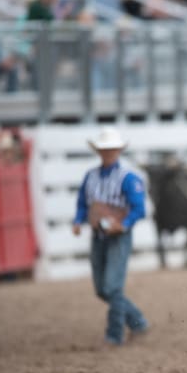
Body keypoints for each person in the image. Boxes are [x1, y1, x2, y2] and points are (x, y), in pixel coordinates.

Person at [72, 127, 149, 346]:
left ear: (118, 151)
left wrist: (122, 225)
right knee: (102, 289)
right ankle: (138, 321)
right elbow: (82, 203)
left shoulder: (128, 178)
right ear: (99, 151)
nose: (108, 153)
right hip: (99, 236)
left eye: (111, 149)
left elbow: (139, 209)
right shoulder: (91, 176)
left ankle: (114, 335)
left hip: (118, 237)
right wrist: (78, 221)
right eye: (104, 150)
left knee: (112, 287)